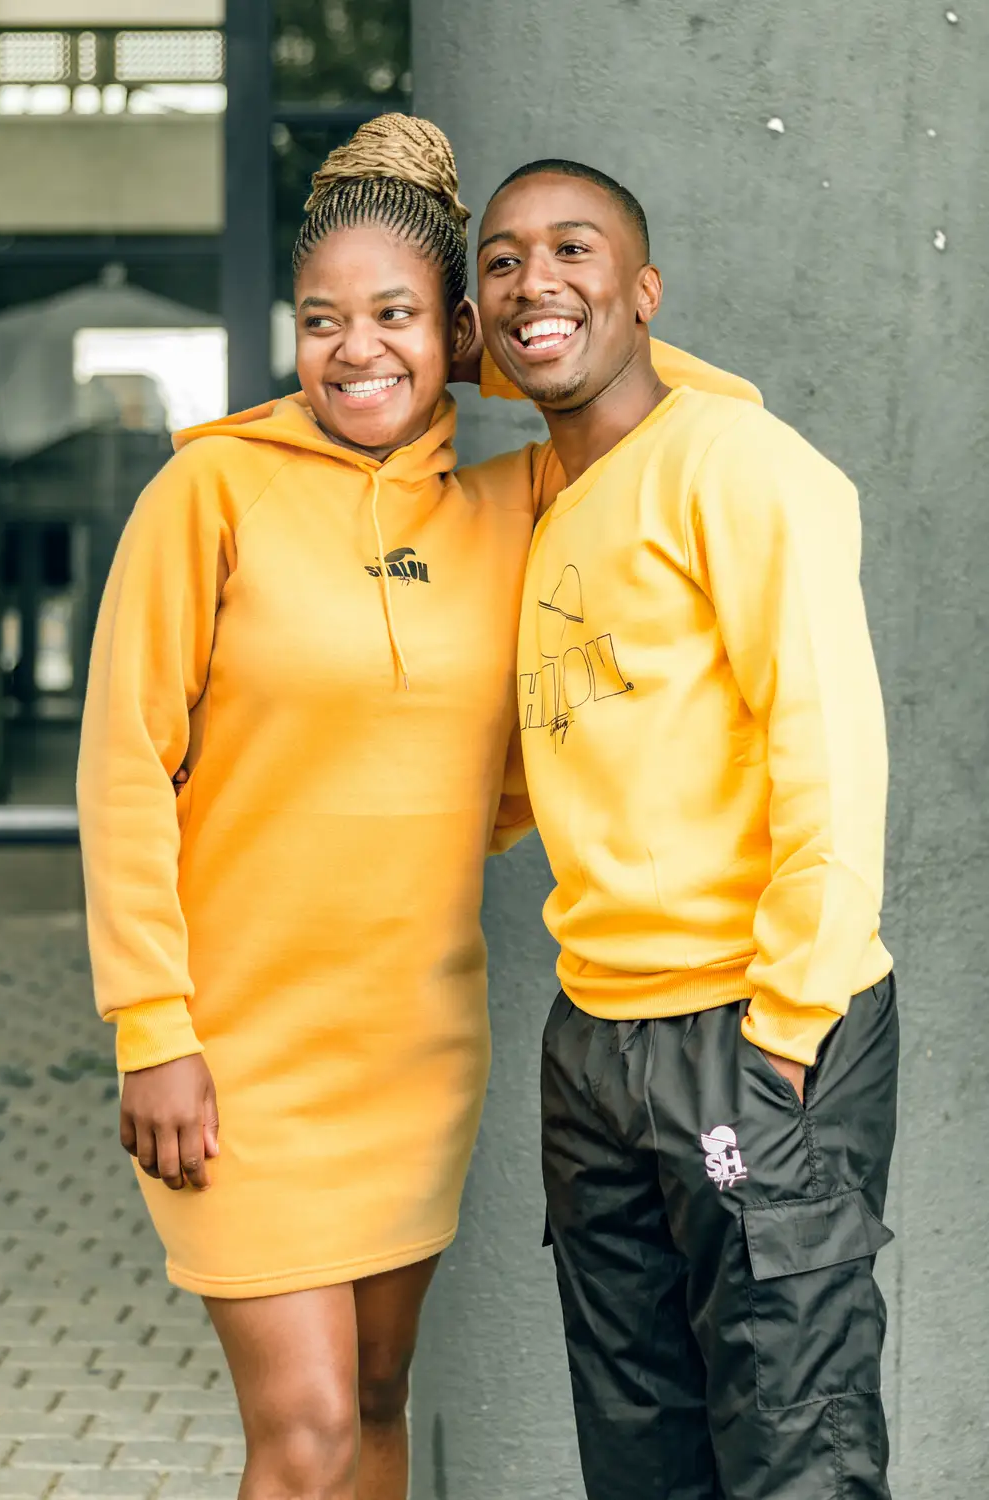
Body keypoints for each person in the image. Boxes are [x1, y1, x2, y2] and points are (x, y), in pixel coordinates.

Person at [77, 117, 748, 1500]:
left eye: (393, 316)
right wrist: (153, 1029)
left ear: (453, 329)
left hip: (412, 1048)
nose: (354, 349)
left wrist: (507, 332)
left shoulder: (518, 503)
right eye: (322, 320)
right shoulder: (210, 489)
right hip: (234, 1055)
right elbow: (122, 770)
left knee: (380, 1404)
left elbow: (707, 409)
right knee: (309, 1434)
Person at [476, 159, 897, 1499]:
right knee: (641, 1461)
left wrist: (788, 1029)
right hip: (595, 1039)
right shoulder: (550, 502)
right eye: (500, 262)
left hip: (752, 1027)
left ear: (648, 292)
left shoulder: (739, 464)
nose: (533, 281)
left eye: (573, 250)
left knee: (795, 1459)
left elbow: (828, 746)